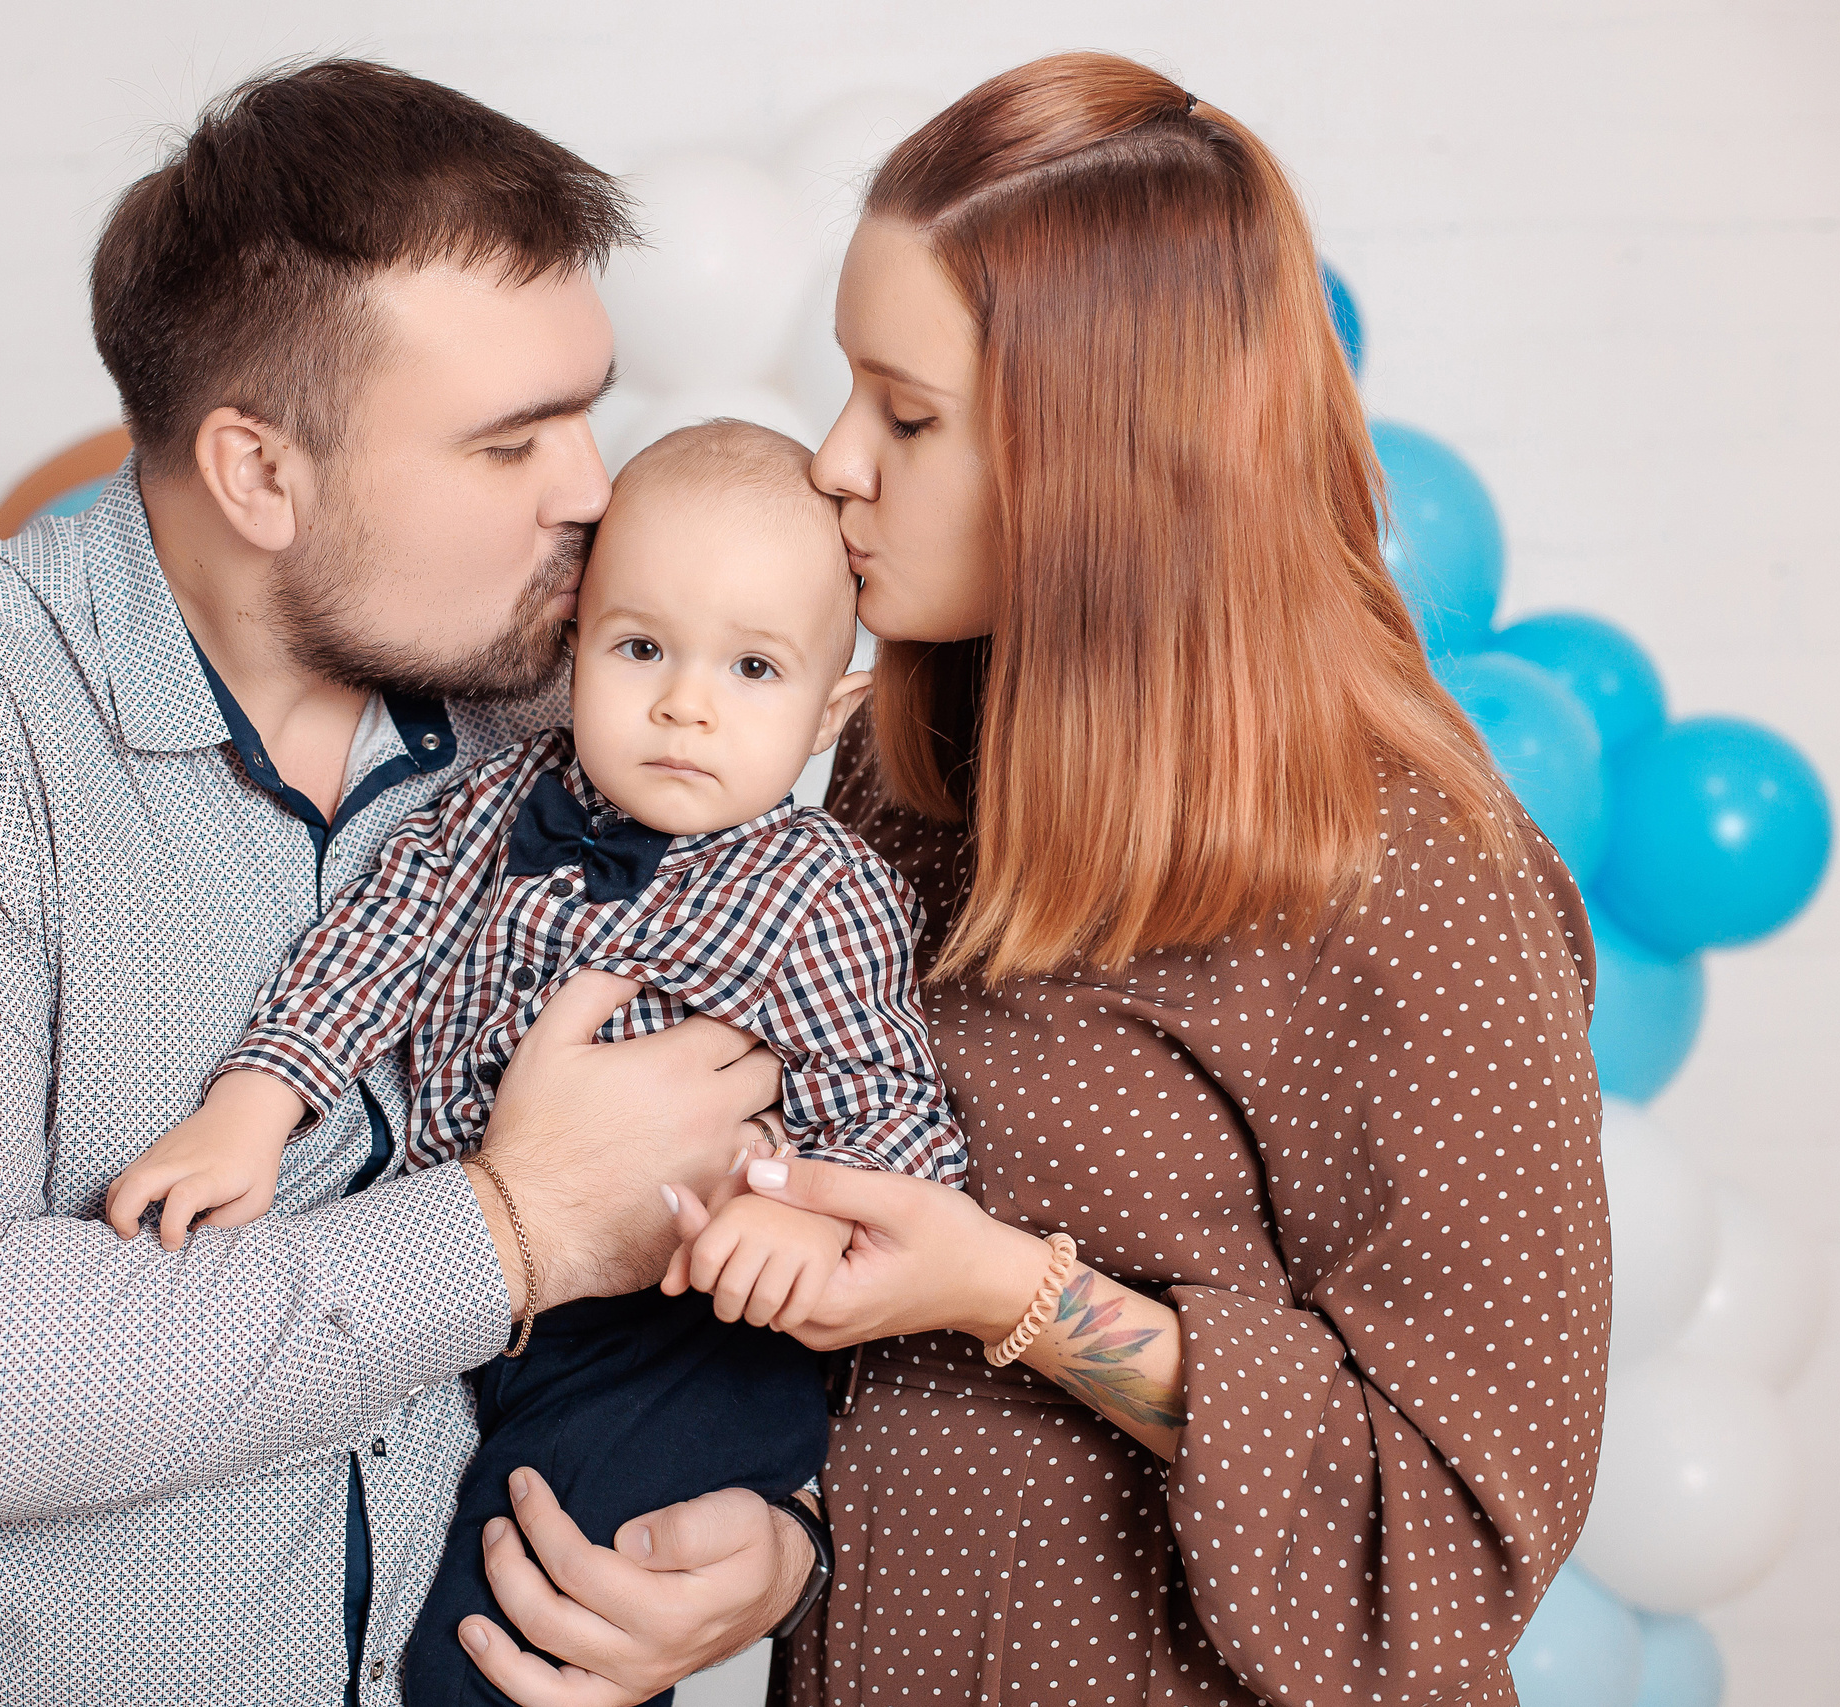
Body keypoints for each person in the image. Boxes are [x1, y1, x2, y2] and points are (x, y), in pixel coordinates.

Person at [0, 61, 822, 1707]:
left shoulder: (581, 701)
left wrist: (784, 1526)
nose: (589, 488)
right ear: (259, 474)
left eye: (586, 409)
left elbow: (808, 1132)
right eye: (512, 442)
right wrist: (514, 1226)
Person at [656, 53, 1611, 1707]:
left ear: (1101, 460)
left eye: (910, 414)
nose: (832, 460)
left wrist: (1016, 1294)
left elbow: (1448, 1538)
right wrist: (787, 1537)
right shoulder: (907, 753)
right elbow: (896, 1374)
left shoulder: (1408, 875)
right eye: (845, 389)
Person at [103, 420, 967, 1707]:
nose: (685, 702)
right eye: (639, 650)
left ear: (833, 710)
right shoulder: (497, 806)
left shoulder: (819, 892)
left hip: (677, 1337)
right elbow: (374, 942)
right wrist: (251, 1108)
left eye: (751, 667)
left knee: (505, 1644)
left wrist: (802, 1223)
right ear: (573, 650)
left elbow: (891, 1113)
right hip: (481, 1291)